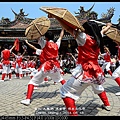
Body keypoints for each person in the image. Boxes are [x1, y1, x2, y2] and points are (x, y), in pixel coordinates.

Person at [57, 18, 112, 116]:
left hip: (85, 70)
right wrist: (108, 26)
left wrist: (57, 17)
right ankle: (107, 104)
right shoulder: (98, 37)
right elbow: (103, 30)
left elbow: (67, 28)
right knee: (98, 87)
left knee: (65, 91)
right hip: (96, 71)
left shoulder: (83, 37)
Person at [20, 28, 66, 105]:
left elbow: (37, 37)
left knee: (32, 82)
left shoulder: (44, 43)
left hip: (47, 65)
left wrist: (39, 29)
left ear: (46, 38)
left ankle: (27, 99)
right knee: (60, 79)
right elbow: (61, 37)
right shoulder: (56, 44)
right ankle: (69, 92)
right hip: (55, 66)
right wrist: (63, 29)